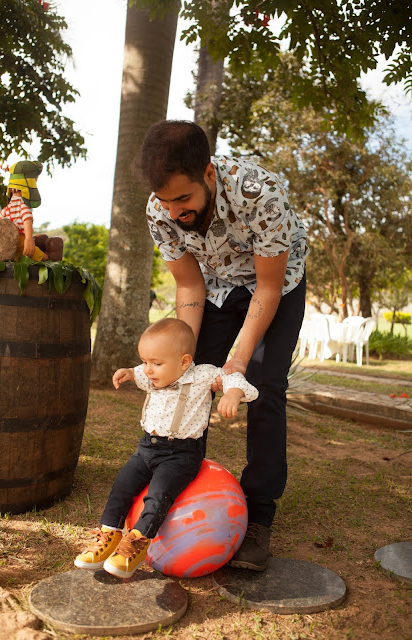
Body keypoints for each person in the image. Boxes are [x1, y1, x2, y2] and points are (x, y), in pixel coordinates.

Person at [138, 120, 309, 571]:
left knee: (265, 387)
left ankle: (260, 516)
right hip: (215, 286)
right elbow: (189, 287)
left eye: (183, 199)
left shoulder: (260, 193)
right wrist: (183, 359)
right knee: (189, 382)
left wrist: (236, 364)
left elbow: (268, 289)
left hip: (277, 285)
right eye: (164, 201)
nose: (174, 212)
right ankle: (174, 483)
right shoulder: (159, 211)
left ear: (209, 175)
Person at [74, 317, 258, 579]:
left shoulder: (202, 375)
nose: (148, 370)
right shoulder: (154, 375)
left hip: (181, 454)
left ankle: (136, 545)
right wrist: (129, 372)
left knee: (158, 495)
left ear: (184, 361)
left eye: (156, 363)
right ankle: (108, 537)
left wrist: (232, 394)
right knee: (121, 488)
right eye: (145, 361)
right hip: (146, 447)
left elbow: (233, 377)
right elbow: (141, 372)